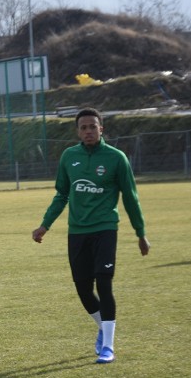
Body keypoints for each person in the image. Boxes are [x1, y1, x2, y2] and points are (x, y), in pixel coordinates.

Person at [32, 107, 150, 364]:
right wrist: (45, 225)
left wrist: (140, 233)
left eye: (92, 126)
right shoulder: (69, 157)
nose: (88, 131)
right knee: (84, 290)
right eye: (83, 127)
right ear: (78, 131)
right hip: (77, 232)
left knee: (104, 282)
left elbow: (131, 198)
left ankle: (108, 346)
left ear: (101, 129)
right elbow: (61, 194)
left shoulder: (116, 158)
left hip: (105, 228)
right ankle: (102, 327)